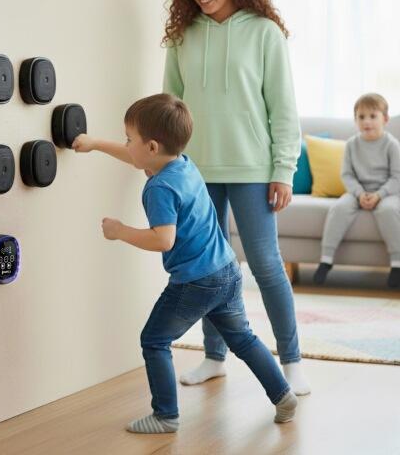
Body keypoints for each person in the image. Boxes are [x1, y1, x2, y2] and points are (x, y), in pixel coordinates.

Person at [72, 93, 297, 434]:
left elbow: (163, 239)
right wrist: (95, 144)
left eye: (129, 139)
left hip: (196, 281)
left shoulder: (159, 188)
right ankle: (283, 395)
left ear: (151, 147)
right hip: (226, 270)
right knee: (243, 339)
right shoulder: (183, 165)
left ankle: (165, 415)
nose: (126, 145)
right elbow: (136, 157)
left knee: (154, 339)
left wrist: (119, 231)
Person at [162, 0, 310, 395]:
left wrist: (283, 170)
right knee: (209, 268)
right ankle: (214, 356)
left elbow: (283, 108)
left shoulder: (264, 32)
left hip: (252, 169)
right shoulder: (183, 36)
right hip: (196, 170)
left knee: (265, 266)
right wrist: (167, 163)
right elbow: (170, 106)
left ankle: (292, 361)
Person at [314, 93, 400, 288]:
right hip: (358, 192)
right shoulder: (352, 144)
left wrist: (379, 195)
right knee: (338, 208)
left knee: (389, 211)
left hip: (386, 193)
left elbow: (397, 177)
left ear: (385, 119)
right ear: (355, 121)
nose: (366, 121)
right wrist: (360, 194)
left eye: (372, 116)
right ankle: (326, 259)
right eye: (361, 117)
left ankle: (397, 263)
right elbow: (347, 175)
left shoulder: (392, 145)